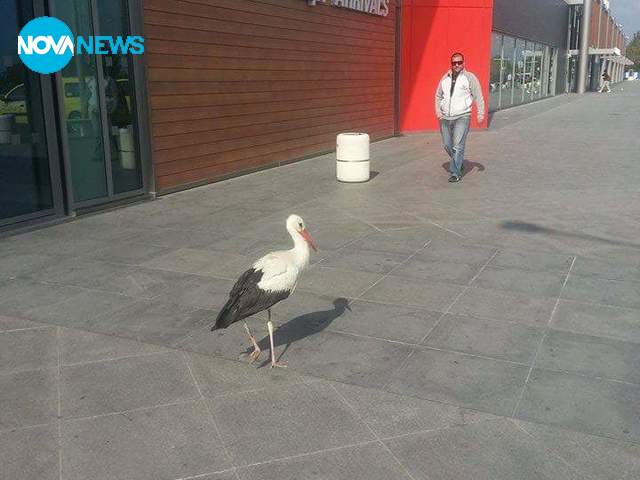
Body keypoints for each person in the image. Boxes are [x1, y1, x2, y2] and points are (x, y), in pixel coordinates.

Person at [435, 52, 485, 183]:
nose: (457, 65)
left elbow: (478, 95)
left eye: (459, 62)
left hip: (463, 116)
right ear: (451, 64)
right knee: (447, 144)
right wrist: (438, 112)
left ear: (464, 62)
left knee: (458, 145)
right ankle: (459, 161)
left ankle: (455, 172)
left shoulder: (469, 77)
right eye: (454, 63)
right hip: (445, 117)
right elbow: (438, 96)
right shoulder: (445, 78)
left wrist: (480, 113)